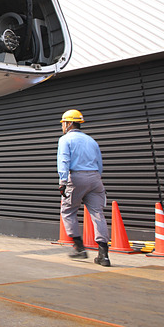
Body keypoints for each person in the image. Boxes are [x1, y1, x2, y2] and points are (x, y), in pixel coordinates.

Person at [57, 109, 111, 267]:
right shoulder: (91, 140)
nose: (62, 127)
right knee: (97, 214)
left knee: (68, 210)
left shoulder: (65, 139)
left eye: (63, 124)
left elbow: (64, 160)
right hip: (95, 178)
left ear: (68, 123)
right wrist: (96, 178)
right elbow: (99, 163)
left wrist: (63, 181)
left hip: (77, 177)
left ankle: (79, 248)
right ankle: (103, 254)